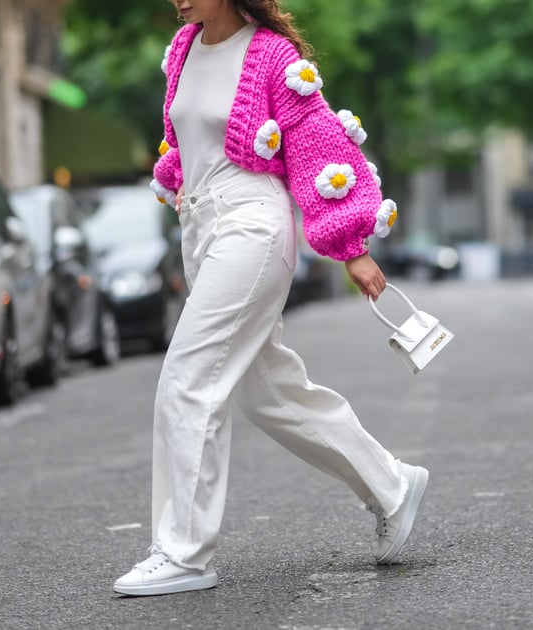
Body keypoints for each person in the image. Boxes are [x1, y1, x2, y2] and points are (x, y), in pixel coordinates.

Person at [112, 0, 429, 597]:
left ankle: (183, 552)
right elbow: (184, 143)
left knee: (188, 376)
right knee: (267, 391)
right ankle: (391, 484)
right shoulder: (183, 49)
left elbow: (316, 144)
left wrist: (350, 245)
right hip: (202, 227)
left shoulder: (269, 55)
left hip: (252, 225)